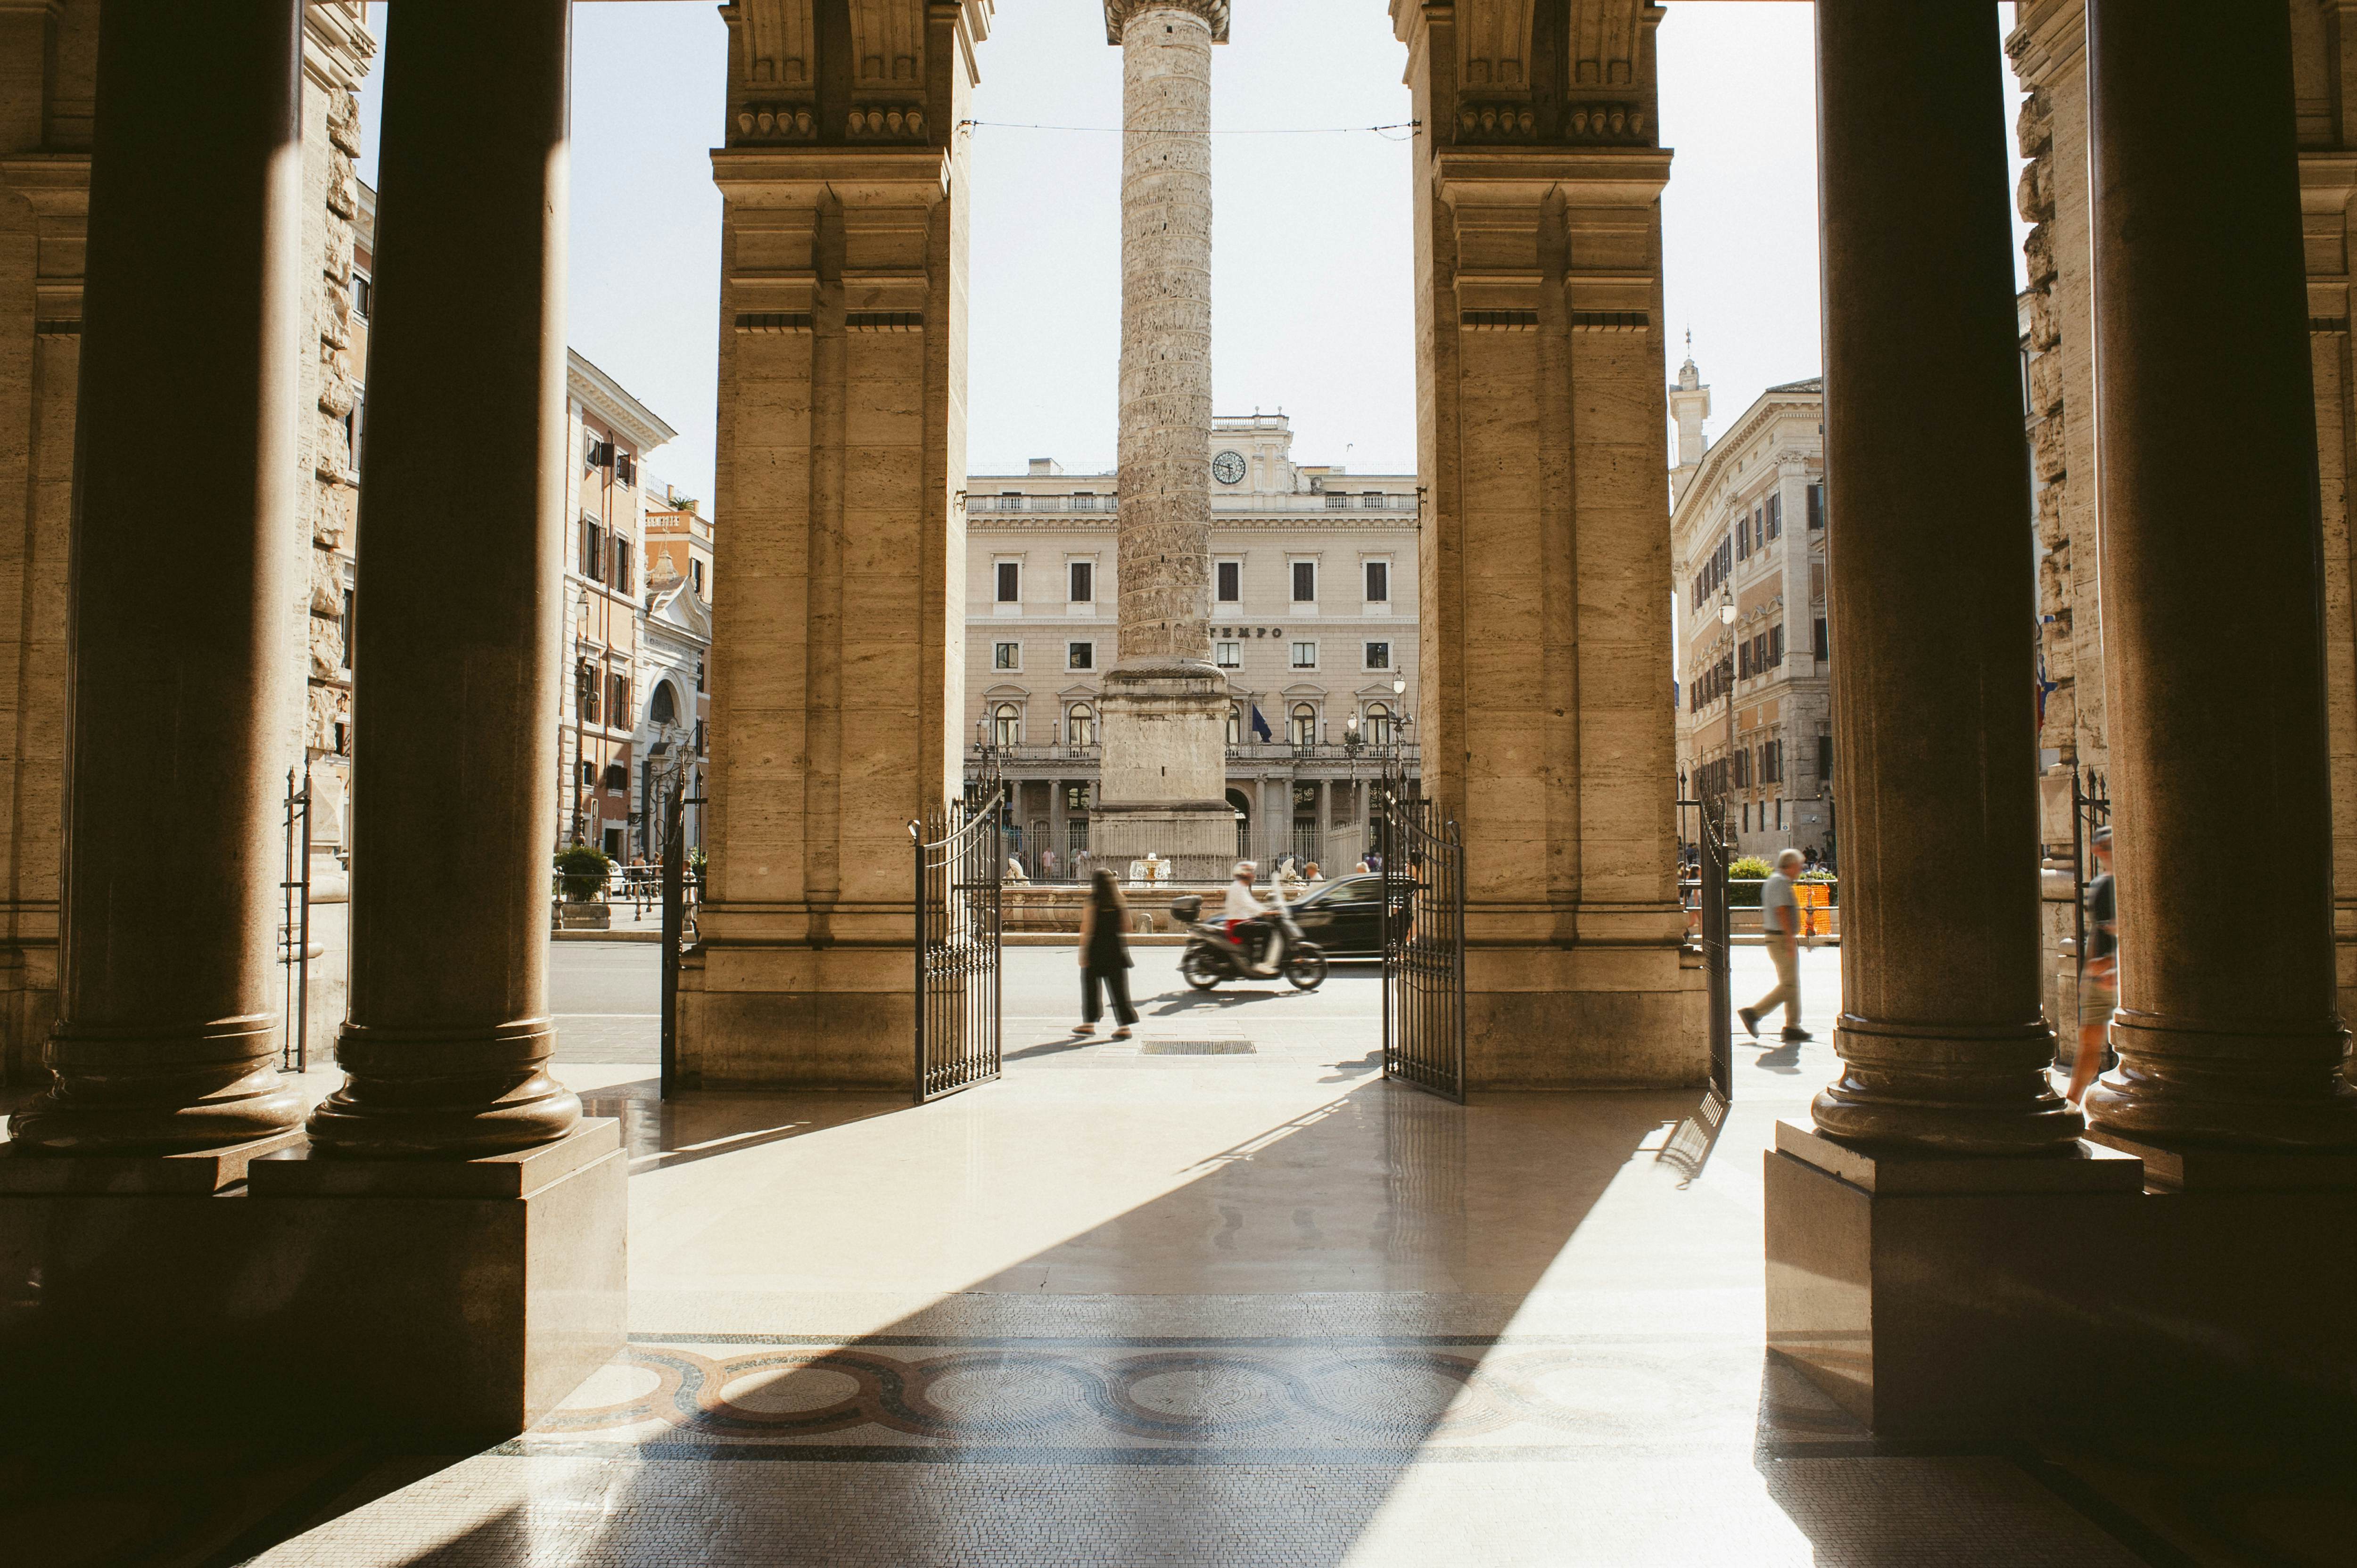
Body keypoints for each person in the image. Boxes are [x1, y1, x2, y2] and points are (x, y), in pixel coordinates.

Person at [1739, 848, 1812, 1043]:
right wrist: (1790, 939)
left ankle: (1792, 1026)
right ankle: (1753, 1013)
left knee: (1791, 983)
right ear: (1790, 865)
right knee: (1789, 985)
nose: (1800, 870)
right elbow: (1782, 911)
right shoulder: (1780, 882)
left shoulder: (1775, 880)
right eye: (1799, 866)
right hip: (1781, 938)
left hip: (1777, 938)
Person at [2068, 827, 2117, 1104]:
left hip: (2116, 976)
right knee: (2088, 1044)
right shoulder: (2101, 885)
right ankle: (2072, 1104)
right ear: (2097, 850)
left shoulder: (2126, 885)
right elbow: (2099, 932)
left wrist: (2117, 967)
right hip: (2100, 977)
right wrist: (2089, 973)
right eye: (2106, 845)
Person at [1073, 868, 1137, 1039]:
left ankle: (1089, 1024)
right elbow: (1128, 927)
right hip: (1116, 950)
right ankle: (1124, 1027)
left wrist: (1083, 952)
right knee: (1119, 989)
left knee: (1091, 987)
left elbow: (1087, 928)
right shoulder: (1119, 900)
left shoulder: (1093, 901)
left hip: (1096, 950)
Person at [1220, 860, 1269, 962]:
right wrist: (1265, 913)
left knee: (1264, 927)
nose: (1253, 875)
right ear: (1245, 874)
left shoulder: (1241, 887)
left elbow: (1252, 904)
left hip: (1241, 922)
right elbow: (1249, 906)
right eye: (1251, 872)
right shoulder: (1238, 888)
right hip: (1237, 925)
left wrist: (1267, 910)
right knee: (1267, 930)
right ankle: (1261, 962)